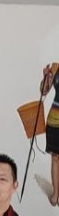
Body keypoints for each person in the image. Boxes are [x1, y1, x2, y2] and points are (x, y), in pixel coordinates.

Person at [39, 62, 59, 205]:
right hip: (54, 119)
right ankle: (56, 194)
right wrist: (46, 77)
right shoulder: (56, 67)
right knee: (56, 157)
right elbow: (44, 91)